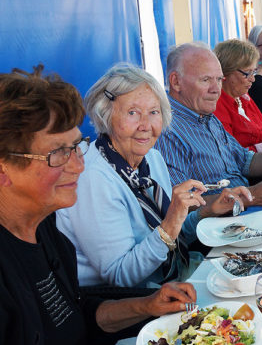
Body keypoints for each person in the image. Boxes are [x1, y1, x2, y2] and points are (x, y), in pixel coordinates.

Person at [0, 67, 196, 345]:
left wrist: (145, 305)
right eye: (58, 154)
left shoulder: (46, 230)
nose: (78, 164)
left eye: (76, 146)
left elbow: (75, 319)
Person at [57, 64, 252, 288]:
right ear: (106, 116)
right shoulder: (93, 178)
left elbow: (169, 241)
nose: (146, 126)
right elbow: (120, 276)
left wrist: (206, 211)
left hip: (173, 278)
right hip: (132, 302)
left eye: (154, 112)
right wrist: (170, 224)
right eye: (132, 113)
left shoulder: (152, 159)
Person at [154, 42, 262, 206]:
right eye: (205, 80)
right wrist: (253, 196)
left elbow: (246, 161)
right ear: (176, 82)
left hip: (244, 208)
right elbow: (179, 207)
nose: (216, 89)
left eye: (218, 80)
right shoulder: (166, 130)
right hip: (219, 226)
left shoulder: (206, 116)